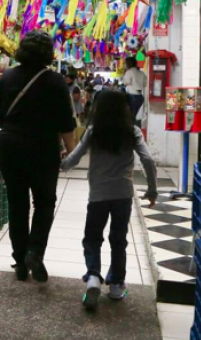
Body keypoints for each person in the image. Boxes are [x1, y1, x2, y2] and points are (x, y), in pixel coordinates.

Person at [0, 30, 76, 282]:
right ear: (47, 53)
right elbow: (66, 122)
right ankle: (35, 251)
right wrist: (71, 149)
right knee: (44, 203)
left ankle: (20, 260)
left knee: (16, 202)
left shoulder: (8, 76)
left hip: (10, 145)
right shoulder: (55, 82)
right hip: (43, 147)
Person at [61, 90, 158, 309]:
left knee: (93, 238)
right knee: (118, 240)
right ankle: (116, 285)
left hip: (98, 195)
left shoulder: (93, 131)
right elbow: (149, 160)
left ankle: (93, 277)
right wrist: (152, 190)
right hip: (123, 194)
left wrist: (59, 165)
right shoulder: (132, 132)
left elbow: (73, 159)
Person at [122, 56, 147, 125]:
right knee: (137, 116)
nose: (125, 65)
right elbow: (145, 82)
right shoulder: (141, 73)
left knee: (130, 116)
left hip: (131, 96)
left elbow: (126, 82)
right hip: (140, 96)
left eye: (125, 63)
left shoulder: (129, 72)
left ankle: (131, 130)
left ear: (129, 63)